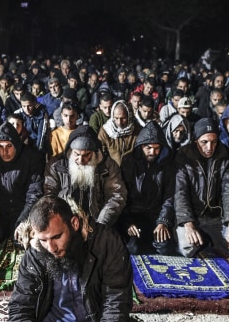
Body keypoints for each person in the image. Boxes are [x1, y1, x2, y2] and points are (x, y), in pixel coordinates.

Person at [6, 196, 134, 322]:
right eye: (43, 239)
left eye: (57, 236)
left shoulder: (107, 242)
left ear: (74, 224)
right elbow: (20, 307)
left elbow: (116, 305)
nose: (51, 248)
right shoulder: (36, 253)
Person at [175, 118, 229, 258]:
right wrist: (188, 224)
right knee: (188, 248)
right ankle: (207, 241)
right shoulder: (183, 155)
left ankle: (210, 241)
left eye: (214, 142)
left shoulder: (225, 155)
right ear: (196, 140)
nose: (210, 147)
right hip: (192, 217)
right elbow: (181, 193)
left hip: (216, 218)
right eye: (204, 142)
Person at [44, 125, 127, 227]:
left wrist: (100, 224)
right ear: (71, 150)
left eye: (86, 155)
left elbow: (116, 195)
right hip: (65, 222)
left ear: (94, 153)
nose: (80, 160)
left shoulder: (108, 166)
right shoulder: (56, 165)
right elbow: (50, 197)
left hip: (98, 220)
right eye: (76, 154)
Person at [0, 123, 44, 245]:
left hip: (22, 210)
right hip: (0, 212)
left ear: (16, 144)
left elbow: (34, 193)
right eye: (0, 146)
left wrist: (24, 221)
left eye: (9, 146)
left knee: (24, 239)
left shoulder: (31, 157)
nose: (5, 152)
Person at [118, 122, 176, 255]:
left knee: (165, 248)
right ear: (141, 146)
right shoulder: (129, 161)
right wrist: (128, 222)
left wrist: (163, 221)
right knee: (134, 247)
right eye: (148, 148)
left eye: (157, 148)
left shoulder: (167, 164)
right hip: (134, 215)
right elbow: (123, 195)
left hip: (157, 215)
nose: (153, 152)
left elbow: (170, 196)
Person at [97, 100, 140, 166]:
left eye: (123, 118)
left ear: (129, 116)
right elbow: (101, 154)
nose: (119, 122)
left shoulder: (137, 130)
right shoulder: (105, 131)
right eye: (116, 118)